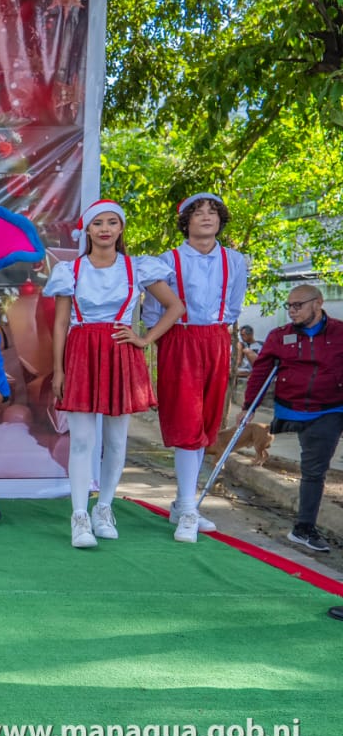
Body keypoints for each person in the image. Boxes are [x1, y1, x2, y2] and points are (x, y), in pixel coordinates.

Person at [45, 200, 184, 549]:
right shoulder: (70, 270)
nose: (105, 229)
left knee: (117, 440)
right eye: (98, 223)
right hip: (81, 353)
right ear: (87, 230)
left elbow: (175, 307)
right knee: (81, 439)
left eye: (112, 222)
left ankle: (104, 508)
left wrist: (144, 339)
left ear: (121, 228)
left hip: (121, 354)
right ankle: (79, 516)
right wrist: (59, 369)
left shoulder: (137, 267)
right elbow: (60, 324)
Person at [141, 192, 248, 541]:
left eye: (213, 212)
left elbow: (233, 305)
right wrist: (167, 343)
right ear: (185, 221)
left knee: (205, 423)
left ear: (221, 220)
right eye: (198, 212)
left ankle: (183, 503)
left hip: (216, 338)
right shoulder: (167, 261)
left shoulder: (235, 261)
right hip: (179, 339)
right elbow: (153, 311)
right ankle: (188, 507)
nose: (206, 217)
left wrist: (218, 338)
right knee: (186, 421)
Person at [243, 284, 342, 554]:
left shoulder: (339, 333)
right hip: (291, 408)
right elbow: (261, 372)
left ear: (318, 303)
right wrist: (249, 406)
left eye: (298, 305)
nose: (292, 311)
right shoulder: (279, 336)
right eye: (289, 306)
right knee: (312, 467)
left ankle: (303, 529)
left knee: (314, 469)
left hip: (329, 409)